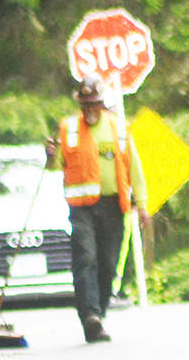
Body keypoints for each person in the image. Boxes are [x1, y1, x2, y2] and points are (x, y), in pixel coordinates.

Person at [45, 76, 149, 344]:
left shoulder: (119, 129)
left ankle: (99, 313)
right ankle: (89, 316)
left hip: (113, 205)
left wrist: (143, 205)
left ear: (102, 104)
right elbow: (56, 166)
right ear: (79, 104)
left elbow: (134, 168)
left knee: (108, 263)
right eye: (85, 104)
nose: (89, 109)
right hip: (81, 208)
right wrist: (49, 155)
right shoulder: (68, 128)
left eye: (94, 104)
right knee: (86, 257)